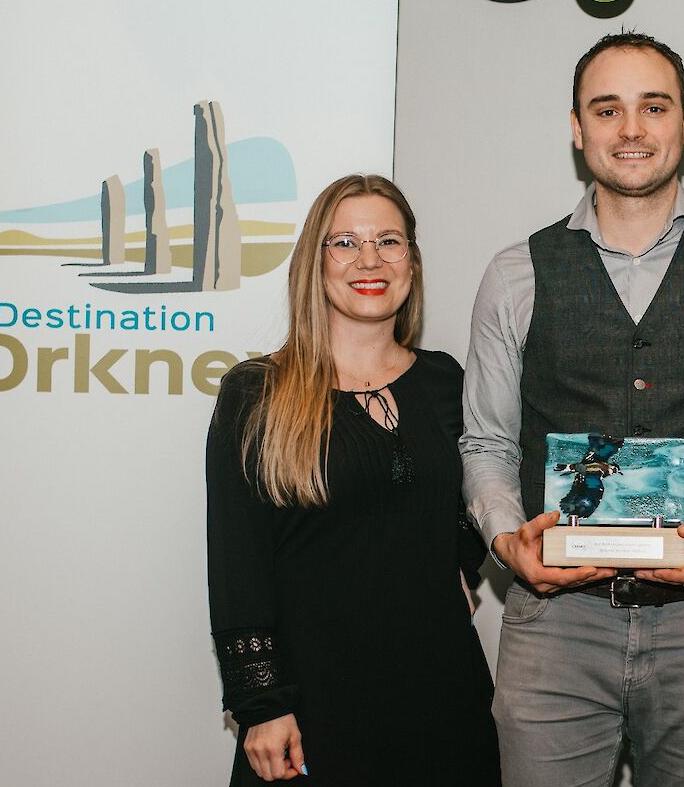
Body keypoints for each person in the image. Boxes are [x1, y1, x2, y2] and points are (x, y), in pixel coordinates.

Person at [460, 32, 684, 787]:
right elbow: (485, 442)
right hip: (554, 623)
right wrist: (502, 540)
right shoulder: (514, 273)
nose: (630, 130)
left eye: (652, 107)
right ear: (577, 129)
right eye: (606, 109)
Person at [206, 174, 499, 786]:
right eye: (345, 243)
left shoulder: (448, 382)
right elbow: (239, 563)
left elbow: (484, 493)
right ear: (316, 263)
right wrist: (262, 705)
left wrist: (461, 562)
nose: (370, 260)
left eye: (389, 241)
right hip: (312, 706)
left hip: (441, 698)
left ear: (411, 262)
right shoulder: (257, 392)